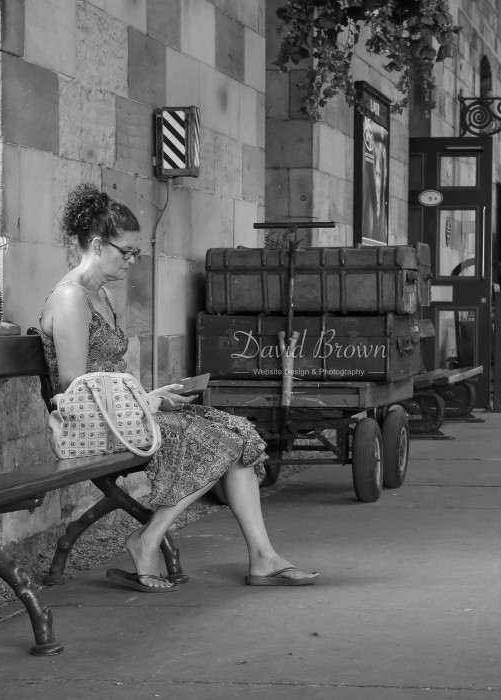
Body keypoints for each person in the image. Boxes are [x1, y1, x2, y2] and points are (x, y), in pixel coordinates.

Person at [39, 183, 318, 592]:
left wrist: (156, 396)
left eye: (136, 253)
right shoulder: (71, 298)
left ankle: (263, 557)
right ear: (98, 245)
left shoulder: (100, 296)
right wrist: (147, 401)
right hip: (95, 429)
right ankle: (147, 539)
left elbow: (109, 379)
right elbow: (75, 388)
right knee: (219, 441)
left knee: (236, 431)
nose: (132, 262)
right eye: (127, 252)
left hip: (122, 417)